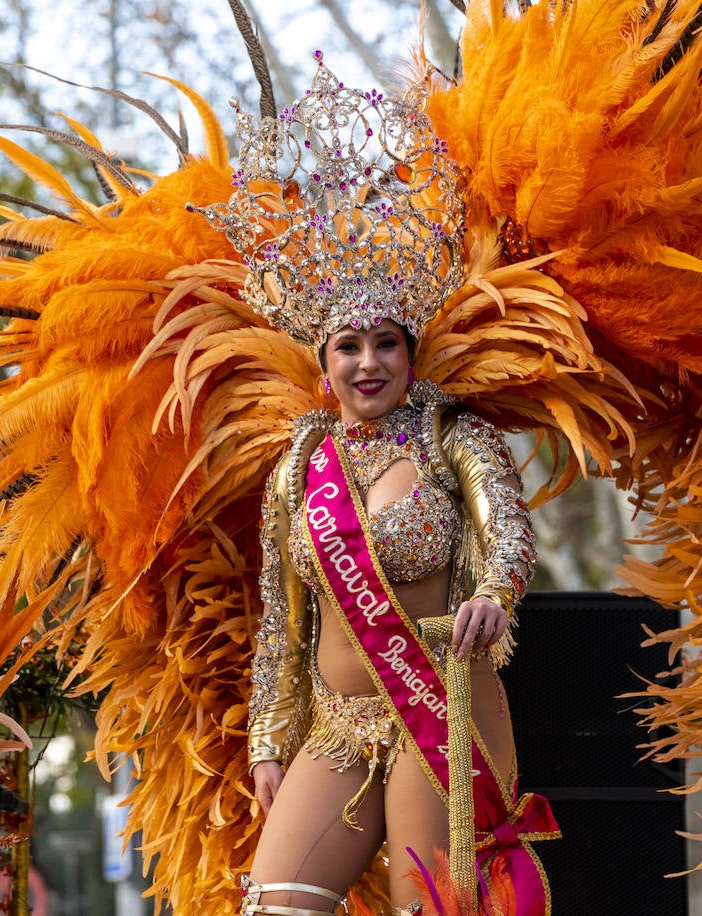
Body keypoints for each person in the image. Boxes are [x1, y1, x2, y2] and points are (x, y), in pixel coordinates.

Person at [241, 314, 549, 915]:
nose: (368, 363)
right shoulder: (301, 467)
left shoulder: (454, 438)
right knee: (275, 904)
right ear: (324, 364)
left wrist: (493, 594)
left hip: (437, 704)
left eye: (386, 345)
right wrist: (269, 741)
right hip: (338, 726)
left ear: (410, 355)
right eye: (348, 347)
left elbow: (511, 536)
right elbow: (282, 620)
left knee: (431, 910)